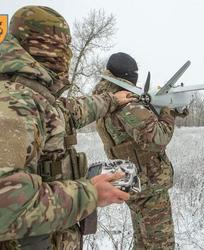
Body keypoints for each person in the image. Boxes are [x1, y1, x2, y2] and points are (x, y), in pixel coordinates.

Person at [0, 6, 136, 250]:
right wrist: (90, 194)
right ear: (51, 46)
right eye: (66, 46)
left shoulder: (33, 96)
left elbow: (72, 112)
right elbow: (5, 207)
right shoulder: (12, 103)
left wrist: (113, 100)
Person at [94, 52, 188, 250]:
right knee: (159, 245)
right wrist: (169, 110)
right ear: (128, 76)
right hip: (149, 183)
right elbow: (158, 137)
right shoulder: (125, 102)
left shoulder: (103, 98)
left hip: (131, 180)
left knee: (143, 242)